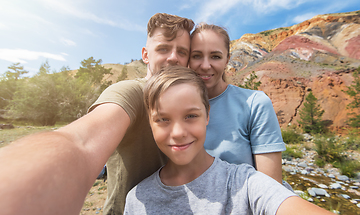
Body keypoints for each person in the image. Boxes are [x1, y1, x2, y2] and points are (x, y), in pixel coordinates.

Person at [0, 13, 194, 215]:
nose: (173, 57)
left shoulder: (188, 100)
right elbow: (81, 143)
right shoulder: (132, 92)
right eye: (163, 49)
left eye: (182, 51)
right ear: (145, 55)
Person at [124, 66, 332, 215]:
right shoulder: (136, 199)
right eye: (163, 119)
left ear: (207, 115)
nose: (178, 132)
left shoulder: (244, 184)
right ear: (150, 123)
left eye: (190, 116)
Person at [189, 23, 285, 185]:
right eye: (197, 55)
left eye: (215, 56)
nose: (205, 66)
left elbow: (271, 188)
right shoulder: (174, 108)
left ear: (227, 59)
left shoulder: (255, 104)